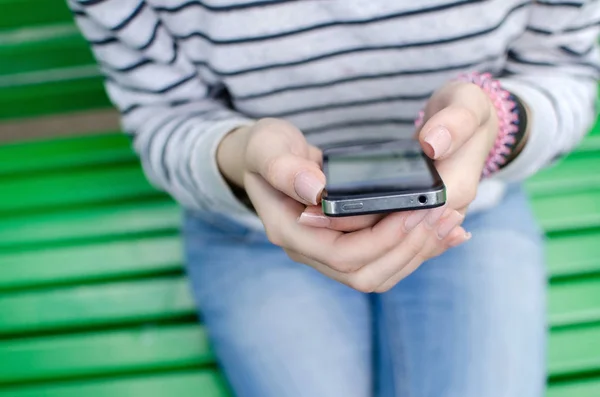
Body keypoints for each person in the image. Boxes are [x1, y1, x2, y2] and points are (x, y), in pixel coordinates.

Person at [69, 0, 599, 396]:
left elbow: (567, 70)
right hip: (253, 229)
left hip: (464, 216)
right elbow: (163, 114)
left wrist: (498, 118)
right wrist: (239, 157)